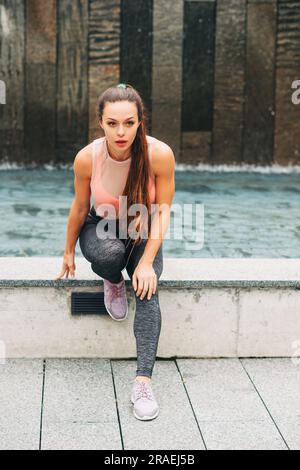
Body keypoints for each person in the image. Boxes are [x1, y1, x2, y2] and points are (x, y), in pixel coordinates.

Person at [55, 83, 175, 420]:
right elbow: (80, 207)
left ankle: (143, 382)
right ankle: (113, 282)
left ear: (140, 122)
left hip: (142, 231)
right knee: (108, 255)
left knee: (148, 291)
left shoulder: (159, 154)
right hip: (101, 227)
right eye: (112, 123)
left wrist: (148, 262)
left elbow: (163, 210)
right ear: (101, 123)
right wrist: (67, 252)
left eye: (128, 122)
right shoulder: (87, 157)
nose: (120, 132)